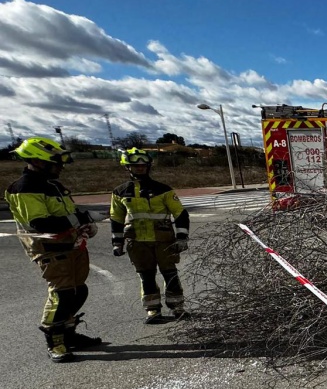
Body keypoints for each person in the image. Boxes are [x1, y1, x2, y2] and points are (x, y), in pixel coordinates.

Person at [4, 136, 103, 362]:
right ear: (38, 161)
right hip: (50, 249)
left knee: (78, 291)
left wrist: (84, 224)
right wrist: (82, 219)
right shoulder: (24, 188)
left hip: (70, 245)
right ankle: (55, 341)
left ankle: (69, 334)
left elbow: (68, 212)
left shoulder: (53, 185)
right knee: (62, 294)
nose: (61, 167)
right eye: (56, 162)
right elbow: (40, 223)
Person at [109, 148, 191, 324]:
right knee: (146, 276)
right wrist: (117, 242)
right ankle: (152, 310)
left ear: (148, 167)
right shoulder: (120, 192)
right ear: (128, 167)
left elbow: (180, 213)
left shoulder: (163, 189)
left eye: (143, 165)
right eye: (135, 166)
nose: (140, 168)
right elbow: (116, 218)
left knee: (170, 273)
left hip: (163, 241)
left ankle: (177, 307)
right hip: (137, 242)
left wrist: (182, 237)